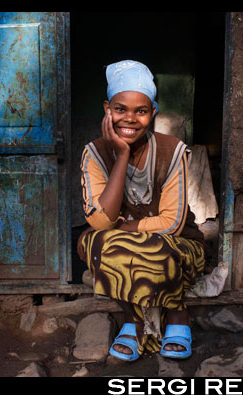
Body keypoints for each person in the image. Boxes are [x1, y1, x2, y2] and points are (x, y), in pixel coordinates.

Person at [77, 60, 206, 361]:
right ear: (107, 109)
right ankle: (136, 321)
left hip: (177, 243)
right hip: (120, 239)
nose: (130, 119)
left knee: (154, 250)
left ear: (153, 113)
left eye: (141, 111)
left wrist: (121, 230)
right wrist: (121, 156)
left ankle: (176, 313)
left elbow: (171, 224)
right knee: (95, 245)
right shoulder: (94, 153)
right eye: (120, 109)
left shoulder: (173, 150)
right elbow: (98, 221)